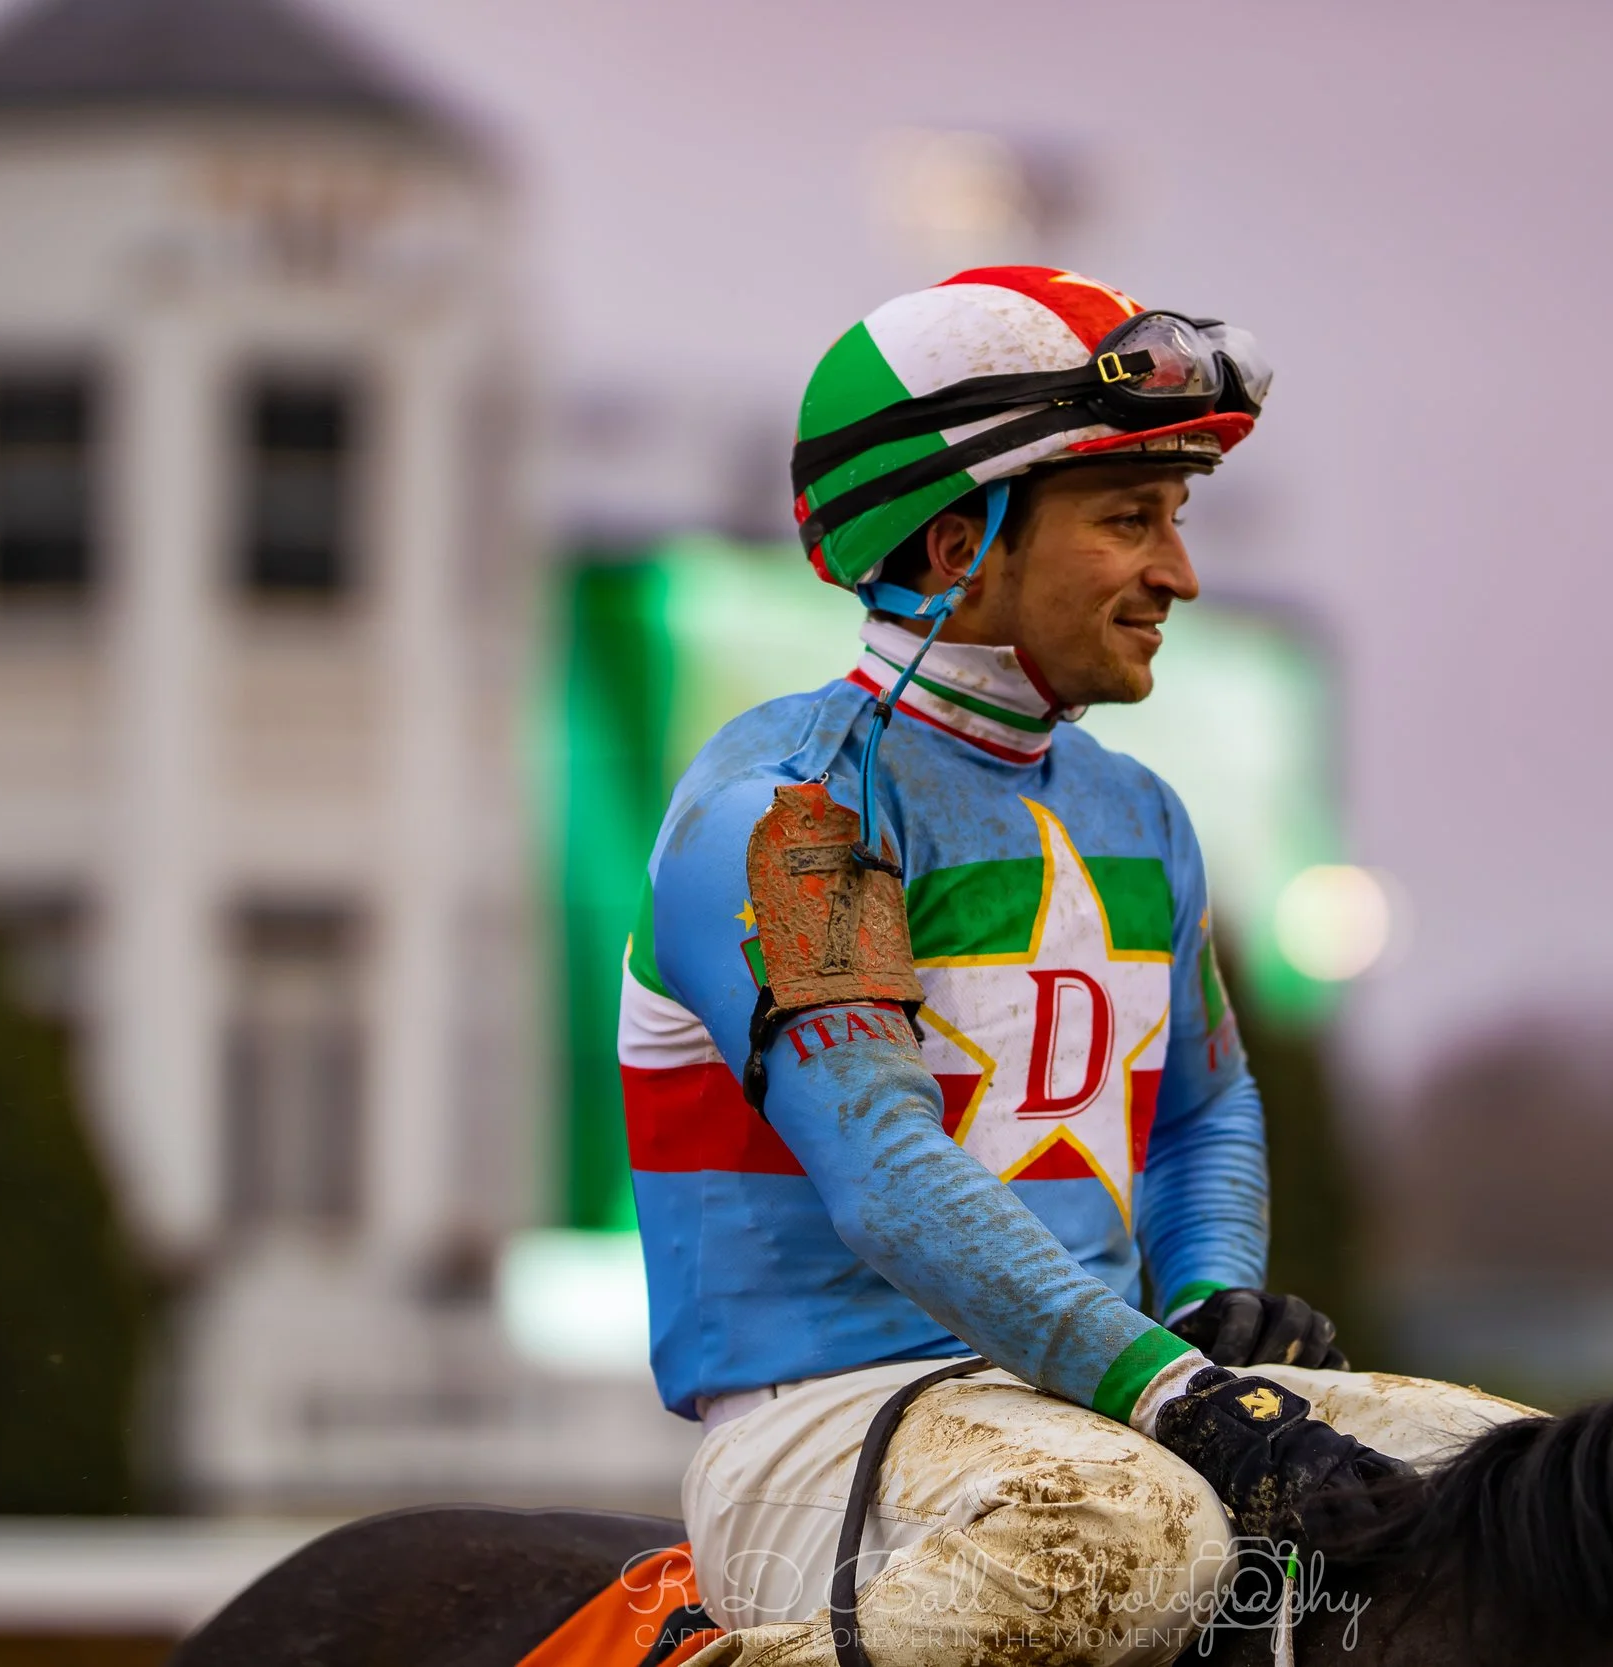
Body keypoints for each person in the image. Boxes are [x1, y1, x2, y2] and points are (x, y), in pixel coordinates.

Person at [619, 266, 1525, 1667]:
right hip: (821, 1426)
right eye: (1127, 520)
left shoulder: (1142, 813)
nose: (1181, 573)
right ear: (949, 542)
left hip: (1092, 1393)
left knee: (1521, 1479)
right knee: (1132, 1535)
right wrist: (1178, 1395)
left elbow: (1204, 1107)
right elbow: (886, 1175)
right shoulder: (789, 814)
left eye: (1175, 519)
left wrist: (1208, 1296)